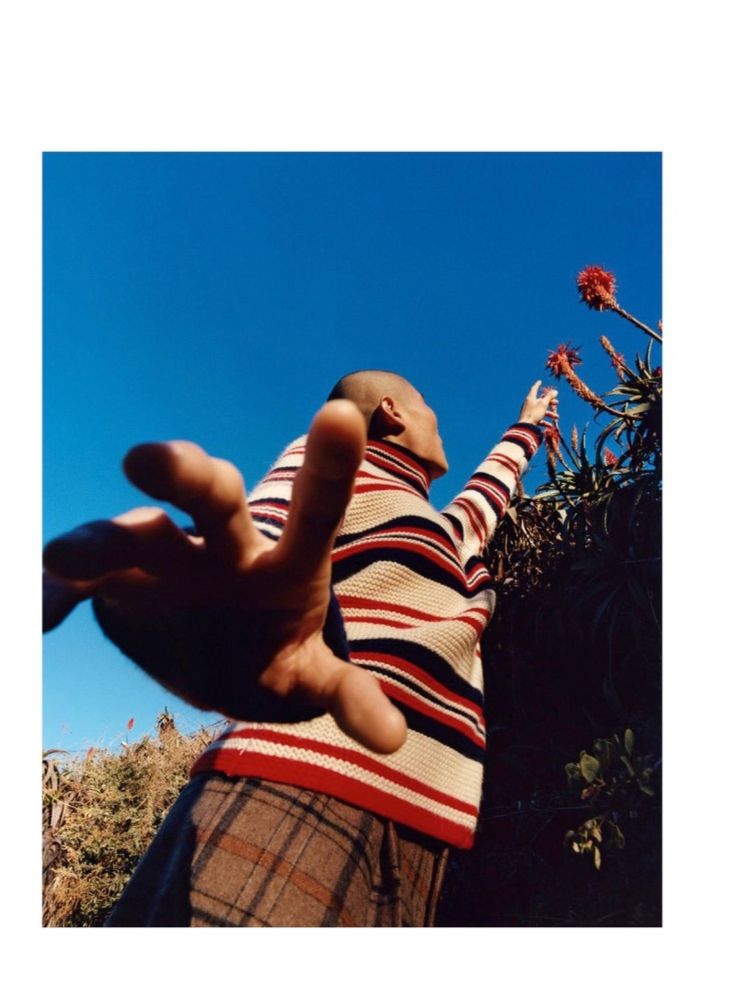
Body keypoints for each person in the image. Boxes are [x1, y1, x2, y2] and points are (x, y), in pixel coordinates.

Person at [43, 372, 558, 926]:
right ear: (392, 411)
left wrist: (526, 427)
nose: (440, 418)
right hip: (300, 775)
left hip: (424, 823)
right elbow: (268, 534)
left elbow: (484, 499)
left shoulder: (439, 530)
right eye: (428, 404)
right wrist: (223, 606)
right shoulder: (335, 462)